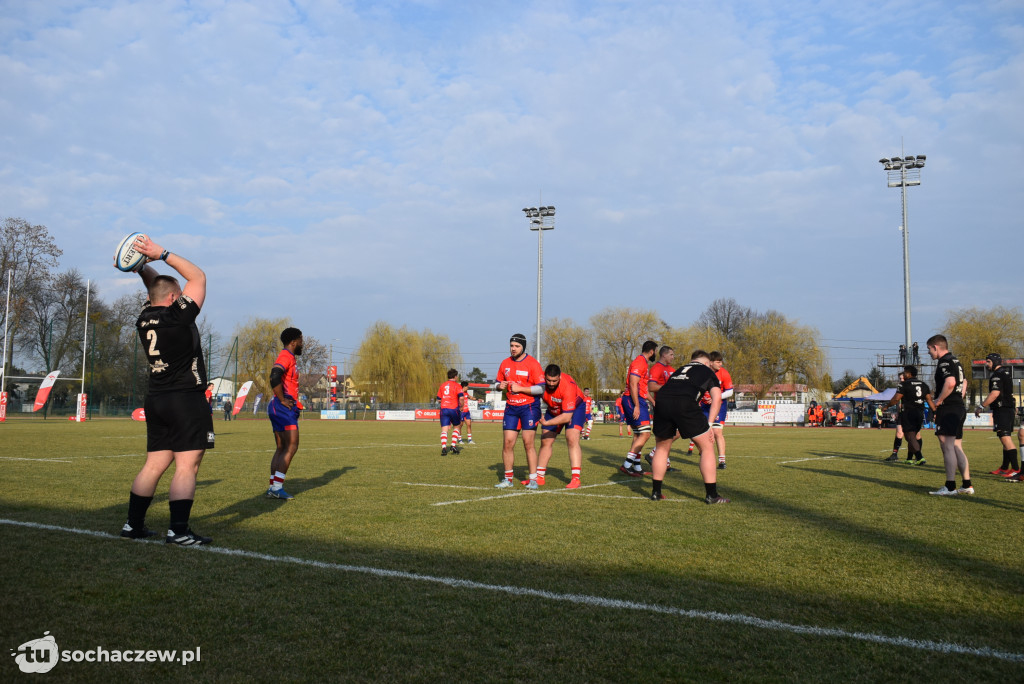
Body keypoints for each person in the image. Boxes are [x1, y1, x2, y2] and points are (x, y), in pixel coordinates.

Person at [119, 235, 214, 545]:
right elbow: (197, 277)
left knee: (155, 463)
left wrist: (140, 266)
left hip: (157, 397)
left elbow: (155, 289)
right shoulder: (178, 314)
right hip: (185, 397)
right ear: (176, 298)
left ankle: (133, 525)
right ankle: (179, 531)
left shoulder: (144, 317)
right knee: (188, 464)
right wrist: (161, 253)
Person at [649, 350, 729, 504]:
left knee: (661, 448)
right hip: (684, 403)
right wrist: (710, 424)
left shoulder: (679, 370)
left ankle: (656, 492)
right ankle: (712, 495)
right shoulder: (707, 371)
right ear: (707, 363)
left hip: (662, 402)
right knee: (706, 447)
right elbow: (717, 398)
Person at [494, 333, 545, 489]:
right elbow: (496, 383)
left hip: (529, 407)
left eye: (516, 346)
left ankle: (533, 480)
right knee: (508, 443)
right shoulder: (505, 363)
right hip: (511, 408)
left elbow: (541, 388)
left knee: (528, 443)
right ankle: (508, 479)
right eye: (511, 346)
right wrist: (498, 386)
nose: (513, 349)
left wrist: (521, 388)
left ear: (523, 346)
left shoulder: (533, 363)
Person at [927, 334, 972, 496]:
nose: (929, 353)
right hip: (958, 407)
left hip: (949, 409)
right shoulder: (956, 361)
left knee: (947, 446)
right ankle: (967, 484)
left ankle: (950, 486)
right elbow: (964, 382)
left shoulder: (944, 362)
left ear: (936, 347)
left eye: (929, 350)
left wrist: (939, 400)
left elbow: (951, 382)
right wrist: (958, 398)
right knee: (956, 446)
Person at [531, 364, 585, 489]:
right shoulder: (540, 383)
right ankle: (539, 476)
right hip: (553, 408)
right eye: (548, 380)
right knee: (546, 440)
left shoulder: (568, 386)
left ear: (560, 377)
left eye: (554, 381)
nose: (551, 383)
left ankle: (575, 479)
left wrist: (547, 423)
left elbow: (566, 417)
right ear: (544, 376)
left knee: (571, 438)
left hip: (575, 409)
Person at [266, 327, 304, 500]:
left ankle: (273, 487)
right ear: (294, 342)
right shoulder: (286, 356)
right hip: (283, 405)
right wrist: (282, 399)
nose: (303, 343)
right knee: (292, 446)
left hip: (280, 406)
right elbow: (274, 376)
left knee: (281, 447)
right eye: (301, 340)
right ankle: (277, 488)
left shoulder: (290, 358)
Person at [618, 340, 657, 477]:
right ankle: (627, 465)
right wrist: (636, 405)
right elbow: (633, 384)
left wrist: (652, 401)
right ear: (651, 351)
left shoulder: (643, 363)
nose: (655, 354)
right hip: (632, 399)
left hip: (637, 399)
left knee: (638, 434)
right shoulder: (640, 362)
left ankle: (637, 466)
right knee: (645, 433)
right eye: (655, 351)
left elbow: (642, 388)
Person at [977, 353, 1019, 477]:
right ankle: (1005, 468)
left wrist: (981, 406)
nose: (986, 364)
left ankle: (1016, 470)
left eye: (988, 361)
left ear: (995, 362)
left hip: (1002, 409)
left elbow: (995, 394)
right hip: (1008, 408)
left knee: (1005, 438)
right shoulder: (1005, 373)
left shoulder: (997, 375)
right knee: (1004, 437)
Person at [886, 366, 934, 465]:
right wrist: (935, 412)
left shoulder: (904, 385)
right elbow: (929, 400)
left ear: (909, 374)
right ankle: (909, 458)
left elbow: (896, 399)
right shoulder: (924, 384)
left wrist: (886, 407)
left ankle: (920, 457)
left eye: (905, 373)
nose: (903, 374)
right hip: (920, 413)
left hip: (909, 412)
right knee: (912, 436)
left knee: (910, 436)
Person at [645, 346, 676, 470]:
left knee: (671, 434)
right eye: (671, 355)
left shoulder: (672, 369)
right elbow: (651, 387)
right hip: (663, 405)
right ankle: (656, 456)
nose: (673, 357)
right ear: (664, 355)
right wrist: (667, 387)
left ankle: (663, 462)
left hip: (672, 404)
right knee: (666, 435)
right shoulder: (657, 368)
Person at [702, 351, 734, 468]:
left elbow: (730, 391)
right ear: (710, 362)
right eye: (718, 362)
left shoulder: (724, 373)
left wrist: (716, 397)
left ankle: (722, 461)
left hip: (719, 405)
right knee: (703, 433)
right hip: (704, 405)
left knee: (717, 432)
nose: (721, 364)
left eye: (721, 361)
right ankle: (705, 456)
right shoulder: (702, 373)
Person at [436, 369, 463, 455]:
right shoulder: (457, 385)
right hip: (453, 408)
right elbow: (461, 398)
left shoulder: (442, 385)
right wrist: (461, 406)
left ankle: (444, 448)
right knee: (457, 427)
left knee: (444, 429)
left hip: (443, 409)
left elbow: (438, 399)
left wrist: (445, 400)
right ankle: (453, 445)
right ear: (455, 377)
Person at [886, 372, 907, 460]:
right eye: (900, 379)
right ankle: (895, 454)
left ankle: (918, 455)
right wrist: (898, 411)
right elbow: (898, 401)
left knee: (914, 435)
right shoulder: (899, 388)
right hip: (902, 413)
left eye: (902, 379)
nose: (901, 380)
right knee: (899, 432)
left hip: (911, 413)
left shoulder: (910, 388)